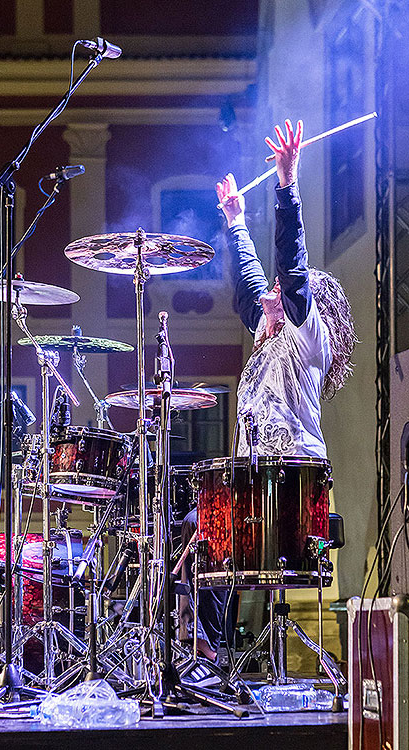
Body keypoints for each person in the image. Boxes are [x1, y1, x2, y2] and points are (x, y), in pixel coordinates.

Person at [179, 119, 356, 675]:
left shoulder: (306, 334)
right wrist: (235, 220)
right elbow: (251, 281)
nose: (271, 293)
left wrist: (287, 183)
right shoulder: (269, 330)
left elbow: (289, 266)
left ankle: (212, 647)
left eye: (283, 292)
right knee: (189, 535)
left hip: (291, 483)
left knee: (203, 535)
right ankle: (207, 649)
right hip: (255, 480)